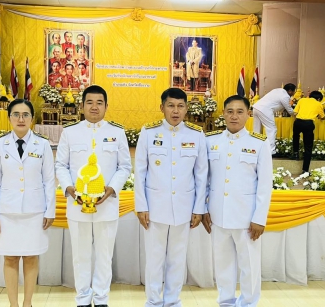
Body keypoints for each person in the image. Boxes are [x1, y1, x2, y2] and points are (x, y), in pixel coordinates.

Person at [55, 85, 132, 307]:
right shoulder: (70, 132)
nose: (94, 107)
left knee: (104, 255)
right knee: (80, 255)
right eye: (90, 102)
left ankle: (100, 300)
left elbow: (124, 166)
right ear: (82, 106)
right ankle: (82, 299)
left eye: (99, 102)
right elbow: (61, 164)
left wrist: (112, 188)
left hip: (106, 205)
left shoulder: (116, 133)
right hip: (77, 204)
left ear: (106, 106)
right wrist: (69, 188)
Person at [135, 88, 207, 307]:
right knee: (155, 260)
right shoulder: (148, 132)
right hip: (154, 208)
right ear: (162, 108)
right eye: (171, 105)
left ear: (186, 108)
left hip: (184, 209)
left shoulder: (196, 135)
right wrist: (141, 205)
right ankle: (153, 302)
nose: (175, 111)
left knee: (177, 259)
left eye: (180, 106)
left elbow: (201, 174)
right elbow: (140, 171)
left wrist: (198, 209)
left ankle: (173, 301)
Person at [202, 95, 272, 307]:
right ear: (223, 114)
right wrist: (204, 208)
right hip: (218, 215)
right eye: (230, 111)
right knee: (223, 264)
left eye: (240, 111)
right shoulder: (210, 141)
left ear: (248, 114)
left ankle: (249, 303)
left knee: (249, 265)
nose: (234, 116)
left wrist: (259, 218)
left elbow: (265, 184)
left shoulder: (258, 143)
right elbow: (204, 179)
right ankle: (226, 302)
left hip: (246, 216)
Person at [0, 99, 56, 307]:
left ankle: (27, 303)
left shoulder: (42, 145)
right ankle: (13, 304)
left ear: (32, 118)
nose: (20, 119)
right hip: (7, 212)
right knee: (10, 258)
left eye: (25, 114)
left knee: (31, 257)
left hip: (35, 211)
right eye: (16, 114)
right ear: (9, 118)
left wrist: (49, 210)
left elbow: (49, 180)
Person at [252, 84, 296, 154]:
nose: (294, 94)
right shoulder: (285, 96)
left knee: (257, 130)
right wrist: (296, 114)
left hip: (256, 108)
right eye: (294, 91)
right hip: (265, 110)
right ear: (290, 91)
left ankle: (254, 148)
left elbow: (280, 106)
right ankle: (271, 151)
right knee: (271, 129)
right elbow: (289, 109)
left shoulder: (277, 90)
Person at [292, 90, 325, 173]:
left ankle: (295, 152)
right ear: (318, 98)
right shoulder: (318, 104)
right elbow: (322, 117)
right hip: (308, 124)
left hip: (298, 122)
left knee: (295, 136)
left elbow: (295, 112)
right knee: (308, 147)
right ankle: (305, 170)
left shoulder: (302, 100)